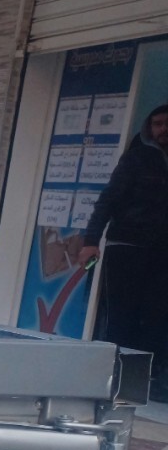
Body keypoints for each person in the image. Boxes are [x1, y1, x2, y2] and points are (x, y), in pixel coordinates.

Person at [78, 104, 168, 397]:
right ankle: (113, 382)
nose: (162, 129)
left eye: (167, 123)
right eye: (157, 124)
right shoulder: (136, 159)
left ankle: (145, 382)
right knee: (121, 318)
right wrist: (91, 241)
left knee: (156, 319)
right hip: (127, 248)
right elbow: (108, 200)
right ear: (149, 128)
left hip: (161, 253)